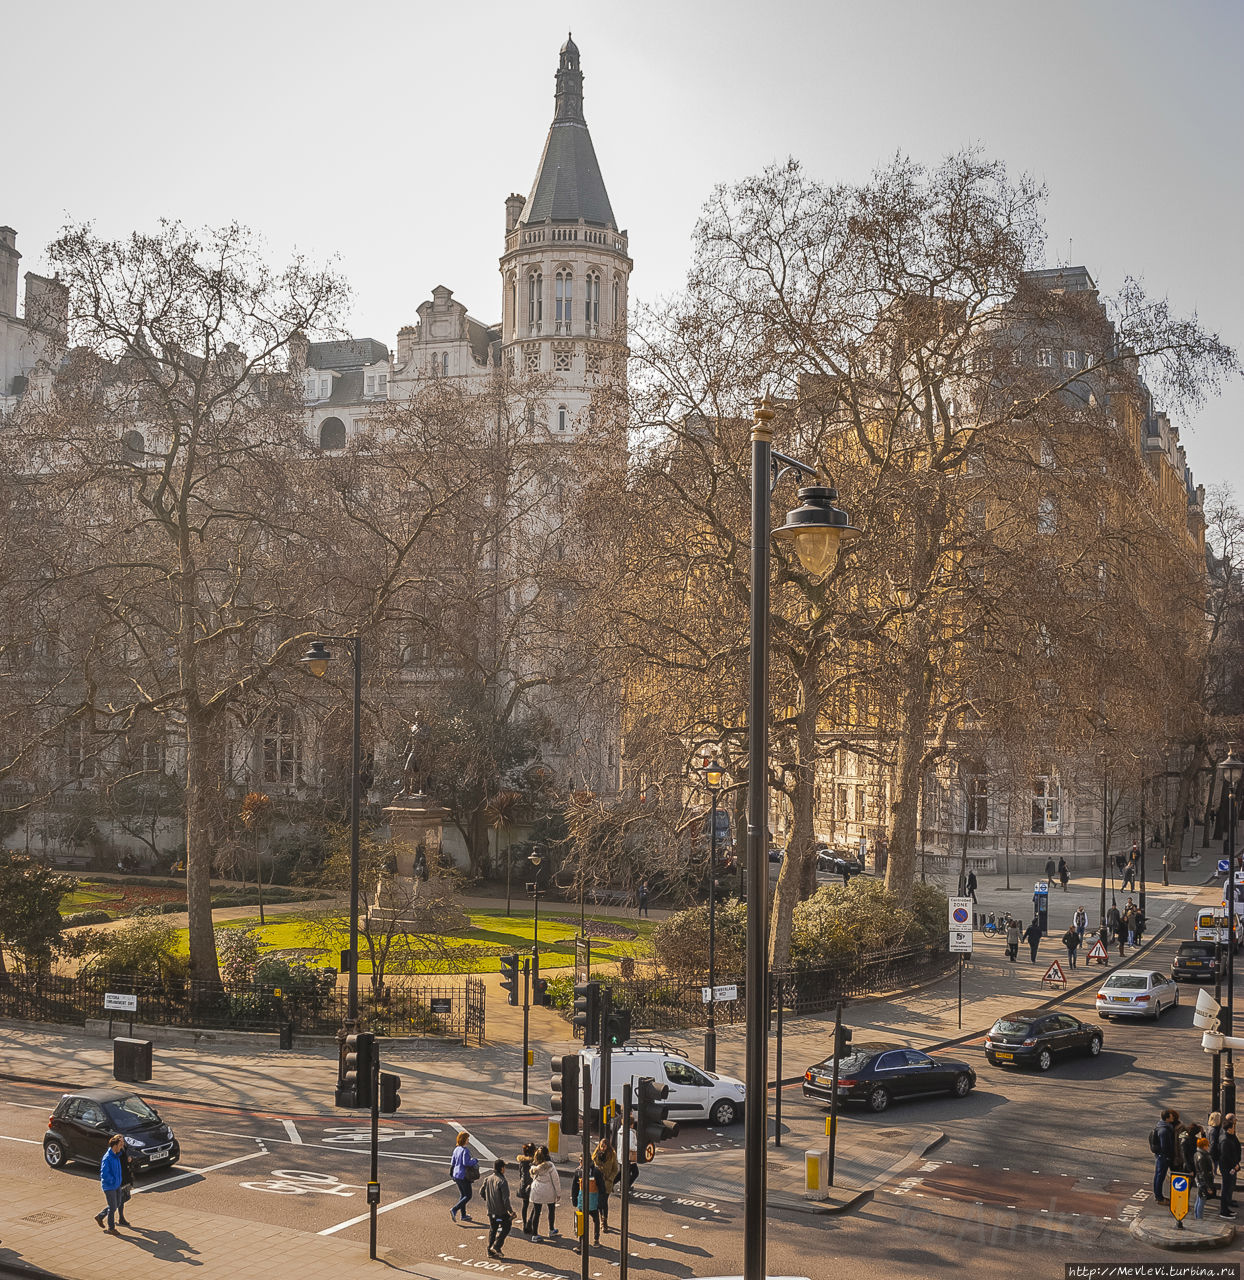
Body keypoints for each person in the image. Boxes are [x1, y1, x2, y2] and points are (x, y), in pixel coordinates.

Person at [480, 1158, 515, 1260]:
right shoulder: (502, 1182)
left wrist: (488, 1200)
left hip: (491, 1211)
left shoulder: (487, 1179)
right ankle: (496, 1246)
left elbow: (481, 1193)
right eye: (504, 1167)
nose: (505, 1169)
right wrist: (511, 1211)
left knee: (493, 1229)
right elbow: (505, 1200)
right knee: (507, 1226)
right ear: (501, 1168)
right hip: (501, 1212)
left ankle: (490, 1250)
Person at [528, 1144, 561, 1241]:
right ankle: (551, 1229)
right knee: (551, 1210)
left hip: (537, 1190)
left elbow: (532, 1177)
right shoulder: (550, 1166)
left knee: (536, 1212)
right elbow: (556, 1180)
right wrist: (558, 1193)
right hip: (549, 1190)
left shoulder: (534, 1167)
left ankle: (534, 1234)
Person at [94, 1133, 126, 1232]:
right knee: (112, 1207)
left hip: (117, 1184)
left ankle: (100, 1216)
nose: (122, 1147)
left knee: (117, 1203)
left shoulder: (116, 1156)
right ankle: (111, 1228)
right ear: (115, 1145)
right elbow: (104, 1174)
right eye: (120, 1145)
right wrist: (113, 1181)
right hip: (110, 1186)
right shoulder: (107, 1158)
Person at [571, 1153, 601, 1251]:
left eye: (582, 1160)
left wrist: (601, 1202)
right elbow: (574, 1187)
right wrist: (574, 1200)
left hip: (593, 1201)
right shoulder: (578, 1171)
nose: (580, 1162)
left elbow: (601, 1187)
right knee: (581, 1222)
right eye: (579, 1160)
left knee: (596, 1220)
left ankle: (596, 1238)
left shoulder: (596, 1171)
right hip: (582, 1201)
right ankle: (581, 1243)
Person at [449, 1131, 480, 1222]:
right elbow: (466, 1163)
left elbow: (453, 1163)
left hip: (456, 1175)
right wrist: (474, 1160)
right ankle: (454, 1209)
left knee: (463, 1195)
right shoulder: (465, 1151)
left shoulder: (456, 1149)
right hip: (464, 1175)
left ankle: (463, 1215)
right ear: (464, 1140)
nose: (468, 1140)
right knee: (468, 1195)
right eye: (467, 1139)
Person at [593, 1135, 619, 1234]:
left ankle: (604, 1222)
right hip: (598, 1181)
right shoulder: (595, 1155)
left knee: (604, 1201)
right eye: (601, 1146)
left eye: (604, 1146)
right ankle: (602, 1219)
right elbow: (592, 1166)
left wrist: (610, 1179)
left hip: (607, 1182)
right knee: (600, 1202)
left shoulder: (612, 1155)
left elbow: (615, 1169)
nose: (602, 1148)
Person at [1152, 1108, 1178, 1203]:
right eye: (1171, 1116)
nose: (1173, 1117)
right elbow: (1165, 1146)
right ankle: (1159, 1197)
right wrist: (1169, 1156)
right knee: (1160, 1176)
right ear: (1167, 1118)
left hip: (1161, 1156)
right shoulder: (1164, 1130)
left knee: (1158, 1175)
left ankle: (1158, 1195)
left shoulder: (1162, 1126)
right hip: (1163, 1157)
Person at [1220, 1114, 1240, 1219]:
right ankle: (1223, 1211)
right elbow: (1226, 1156)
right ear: (1228, 1129)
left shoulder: (1229, 1137)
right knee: (1225, 1188)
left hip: (1230, 1167)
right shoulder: (1225, 1141)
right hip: (1227, 1168)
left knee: (1227, 1188)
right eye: (1232, 1128)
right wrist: (1234, 1165)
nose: (1234, 1129)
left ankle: (1226, 1208)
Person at [516, 1141, 536, 1236]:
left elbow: (520, 1173)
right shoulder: (534, 1162)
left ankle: (524, 1224)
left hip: (523, 1184)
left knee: (525, 1205)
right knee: (536, 1205)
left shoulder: (522, 1161)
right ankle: (530, 1222)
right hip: (532, 1185)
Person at [1194, 1134, 1216, 1220]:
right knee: (1202, 1200)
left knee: (1199, 1199)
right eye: (1207, 1145)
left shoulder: (1197, 1154)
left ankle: (1197, 1216)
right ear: (1204, 1146)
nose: (1208, 1146)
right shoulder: (1203, 1157)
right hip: (1203, 1181)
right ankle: (1199, 1219)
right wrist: (1208, 1186)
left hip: (1199, 1179)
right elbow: (1205, 1173)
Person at [1209, 1111, 1224, 1176]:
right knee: (1214, 1169)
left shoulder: (1209, 1128)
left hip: (1212, 1150)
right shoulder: (1214, 1130)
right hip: (1214, 1152)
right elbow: (1213, 1143)